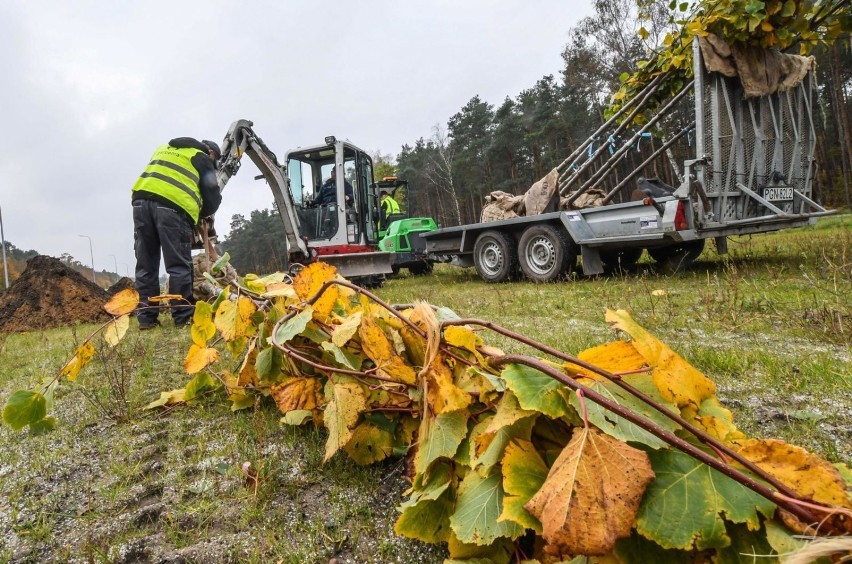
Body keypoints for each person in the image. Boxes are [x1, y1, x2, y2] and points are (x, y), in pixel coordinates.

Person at [131, 137, 222, 329]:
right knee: (179, 265)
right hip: (172, 209)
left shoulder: (164, 148)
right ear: (211, 154)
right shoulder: (202, 157)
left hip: (140, 203)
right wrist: (202, 213)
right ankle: (183, 316)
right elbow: (212, 197)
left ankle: (146, 319)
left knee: (146, 264)